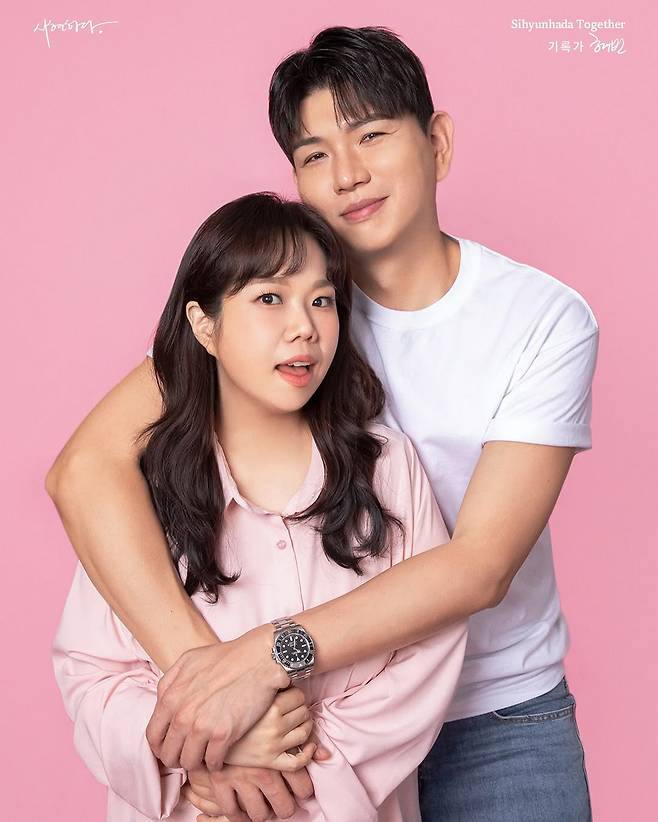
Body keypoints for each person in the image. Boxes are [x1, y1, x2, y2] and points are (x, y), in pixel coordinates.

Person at [46, 26, 598, 822]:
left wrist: (263, 660)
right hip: (299, 721)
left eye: (371, 136)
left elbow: (478, 566)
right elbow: (84, 468)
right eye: (314, 154)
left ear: (437, 143)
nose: (347, 174)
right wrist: (211, 696)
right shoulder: (278, 318)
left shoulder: (541, 318)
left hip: (496, 720)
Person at [52, 193, 468, 822]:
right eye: (270, 298)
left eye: (321, 300)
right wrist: (202, 754)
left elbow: (426, 648)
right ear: (204, 326)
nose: (304, 326)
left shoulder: (386, 466)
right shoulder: (143, 486)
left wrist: (292, 761)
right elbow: (94, 670)